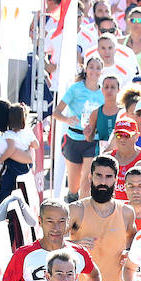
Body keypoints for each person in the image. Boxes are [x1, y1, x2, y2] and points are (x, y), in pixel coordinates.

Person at [69, 156, 136, 281]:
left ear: (116, 180)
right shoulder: (76, 210)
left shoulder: (126, 212)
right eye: (99, 176)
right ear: (90, 176)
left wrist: (129, 252)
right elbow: (52, 243)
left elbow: (132, 236)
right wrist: (75, 245)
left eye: (108, 177)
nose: (103, 182)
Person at [0, 200, 102, 281]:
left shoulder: (79, 253)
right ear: (40, 221)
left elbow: (95, 276)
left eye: (61, 221)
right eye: (50, 221)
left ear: (67, 222)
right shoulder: (23, 255)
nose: (55, 227)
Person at [53, 56, 106, 198]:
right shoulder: (75, 88)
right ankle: (71, 202)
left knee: (87, 182)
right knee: (73, 187)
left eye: (98, 68)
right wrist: (67, 119)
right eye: (91, 67)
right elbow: (56, 113)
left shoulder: (104, 93)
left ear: (102, 71)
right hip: (73, 139)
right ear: (86, 69)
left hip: (91, 140)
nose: (94, 71)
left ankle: (83, 216)